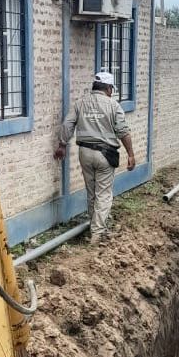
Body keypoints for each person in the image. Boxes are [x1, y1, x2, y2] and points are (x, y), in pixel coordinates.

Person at [55, 71, 136, 243]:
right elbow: (123, 131)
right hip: (105, 155)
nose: (111, 92)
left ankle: (94, 225)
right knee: (103, 194)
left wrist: (62, 145)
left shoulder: (80, 103)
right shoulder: (113, 105)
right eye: (111, 89)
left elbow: (67, 125)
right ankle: (97, 234)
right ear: (108, 88)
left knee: (92, 192)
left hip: (84, 153)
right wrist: (130, 154)